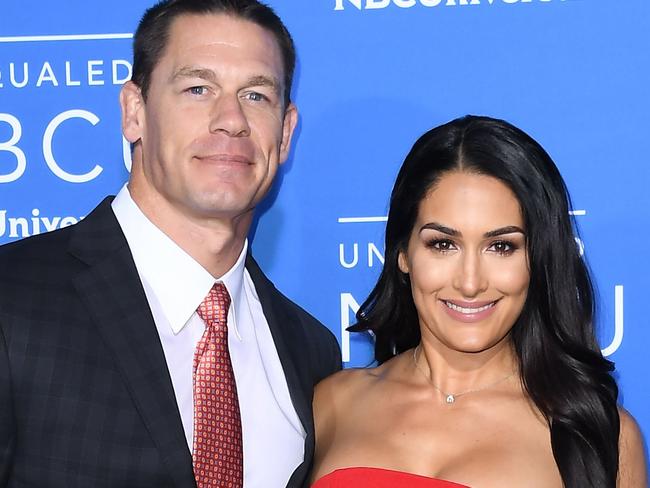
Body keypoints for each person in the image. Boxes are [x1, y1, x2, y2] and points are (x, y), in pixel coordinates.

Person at [0, 1, 341, 487]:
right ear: (134, 112)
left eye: (256, 95)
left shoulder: (312, 352)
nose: (231, 120)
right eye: (198, 88)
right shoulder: (12, 299)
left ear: (285, 134)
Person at [310, 115, 647, 487]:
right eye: (443, 244)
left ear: (538, 259)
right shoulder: (331, 404)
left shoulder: (601, 437)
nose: (470, 283)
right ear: (403, 253)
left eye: (501, 247)